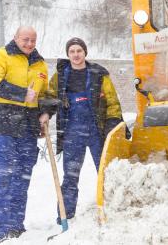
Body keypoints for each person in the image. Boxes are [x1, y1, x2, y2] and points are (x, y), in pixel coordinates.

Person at [41, 37, 125, 222]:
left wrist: (112, 124)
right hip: (72, 133)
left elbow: (112, 102)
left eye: (79, 51)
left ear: (85, 52)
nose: (76, 54)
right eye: (72, 51)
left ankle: (112, 211)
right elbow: (50, 96)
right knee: (70, 177)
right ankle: (65, 216)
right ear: (68, 54)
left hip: (97, 131)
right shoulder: (61, 76)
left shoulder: (98, 74)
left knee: (106, 173)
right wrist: (46, 113)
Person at [0, 26, 50, 245]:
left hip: (29, 128)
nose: (29, 43)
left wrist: (45, 112)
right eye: (25, 39)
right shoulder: (0, 56)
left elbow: (46, 93)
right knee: (1, 179)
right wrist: (23, 94)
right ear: (16, 38)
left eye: (33, 40)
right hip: (4, 125)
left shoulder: (40, 64)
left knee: (21, 181)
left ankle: (15, 228)